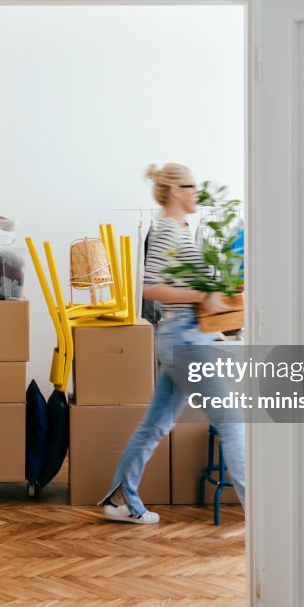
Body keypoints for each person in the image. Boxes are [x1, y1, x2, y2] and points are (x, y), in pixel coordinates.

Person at [99, 163, 246, 524]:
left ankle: (120, 500)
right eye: (192, 186)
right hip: (183, 340)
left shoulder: (183, 228)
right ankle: (263, 517)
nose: (198, 192)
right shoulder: (165, 229)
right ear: (177, 191)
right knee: (232, 421)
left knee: (154, 426)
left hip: (185, 337)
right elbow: (149, 288)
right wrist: (201, 295)